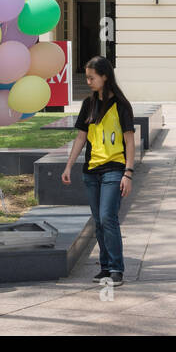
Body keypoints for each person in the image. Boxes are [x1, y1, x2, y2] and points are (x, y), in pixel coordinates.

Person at [62, 56, 136, 286]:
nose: (88, 81)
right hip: (91, 171)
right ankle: (105, 268)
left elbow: (130, 141)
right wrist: (68, 166)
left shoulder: (122, 106)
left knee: (108, 217)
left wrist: (128, 173)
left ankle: (116, 269)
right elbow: (81, 137)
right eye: (87, 77)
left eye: (92, 77)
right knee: (99, 221)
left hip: (114, 170)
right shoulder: (88, 104)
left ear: (105, 76)